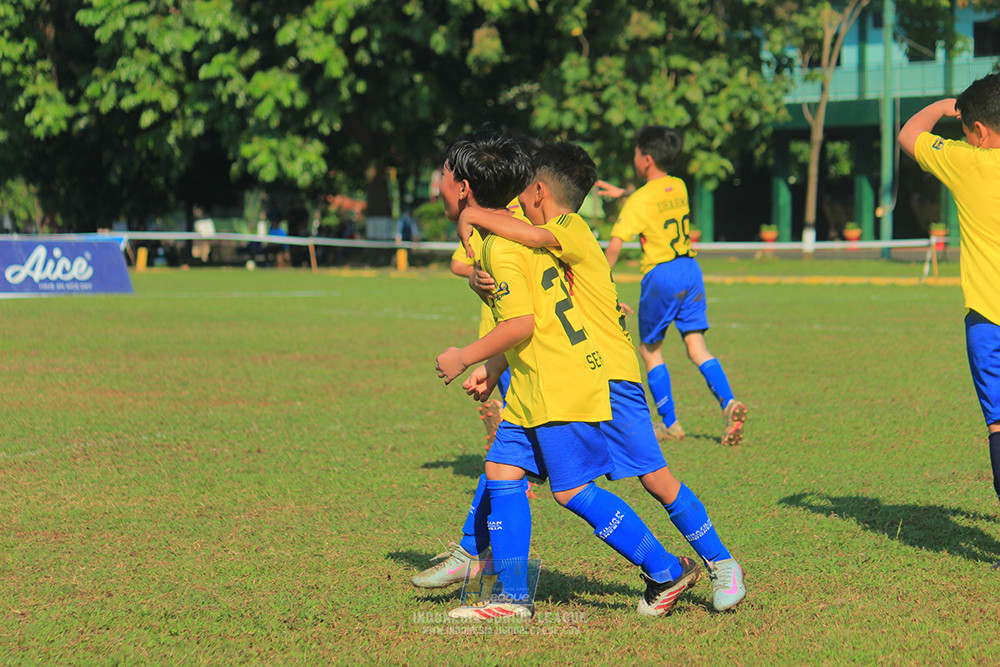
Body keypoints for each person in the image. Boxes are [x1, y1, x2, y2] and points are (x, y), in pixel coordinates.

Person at [430, 141, 746, 611]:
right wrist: (493, 351)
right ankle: (501, 581)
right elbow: (534, 303)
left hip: (611, 376)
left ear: (538, 191)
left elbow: (524, 256)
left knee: (651, 479)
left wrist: (472, 218)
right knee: (515, 471)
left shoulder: (567, 228)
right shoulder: (535, 236)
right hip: (570, 374)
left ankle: (717, 562)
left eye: (523, 195)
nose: (516, 205)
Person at [601, 126, 748, 446]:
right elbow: (654, 200)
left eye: (637, 154)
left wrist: (595, 281)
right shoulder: (678, 186)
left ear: (647, 159)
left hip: (662, 274)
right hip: (690, 269)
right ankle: (729, 403)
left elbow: (614, 247)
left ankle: (670, 424)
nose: (635, 159)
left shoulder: (638, 201)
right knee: (697, 348)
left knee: (649, 350)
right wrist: (624, 195)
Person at [898, 74, 1000, 507]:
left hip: (988, 320)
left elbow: (909, 134)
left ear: (977, 130)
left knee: (998, 424)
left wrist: (944, 106)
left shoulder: (966, 160)